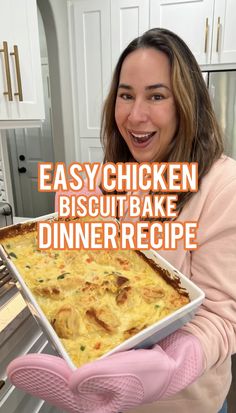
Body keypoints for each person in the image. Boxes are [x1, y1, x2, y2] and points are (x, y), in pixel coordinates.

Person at [7, 28, 236, 413]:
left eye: (157, 96)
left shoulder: (222, 185)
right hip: (105, 393)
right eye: (125, 95)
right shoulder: (118, 174)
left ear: (187, 103)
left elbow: (222, 316)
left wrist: (174, 364)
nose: (135, 114)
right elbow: (101, 276)